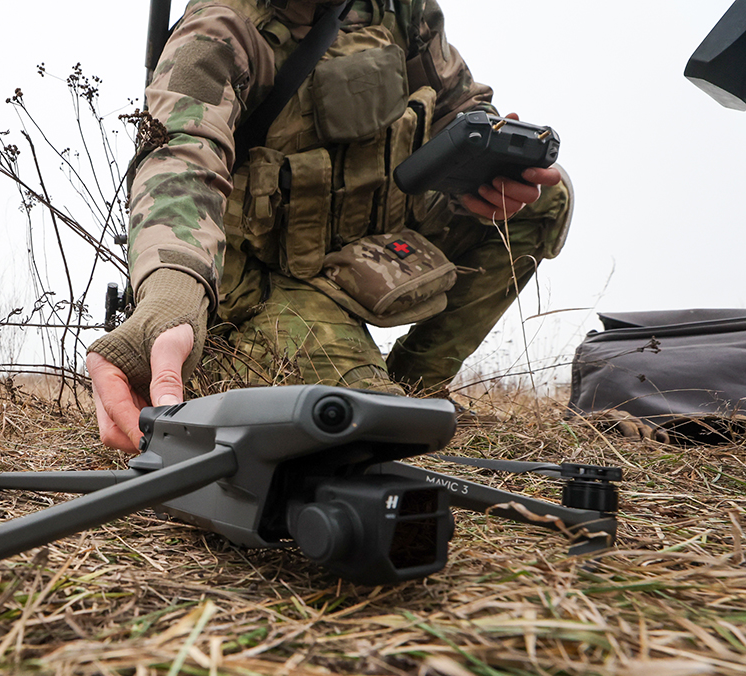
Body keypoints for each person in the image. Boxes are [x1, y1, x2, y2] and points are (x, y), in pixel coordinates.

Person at [88, 0, 572, 452]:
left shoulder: (397, 8)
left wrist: (479, 160)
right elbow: (179, 160)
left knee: (548, 199)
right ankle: (348, 381)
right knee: (367, 428)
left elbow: (456, 103)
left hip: (366, 240)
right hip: (266, 276)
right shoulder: (223, 24)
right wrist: (172, 297)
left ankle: (419, 386)